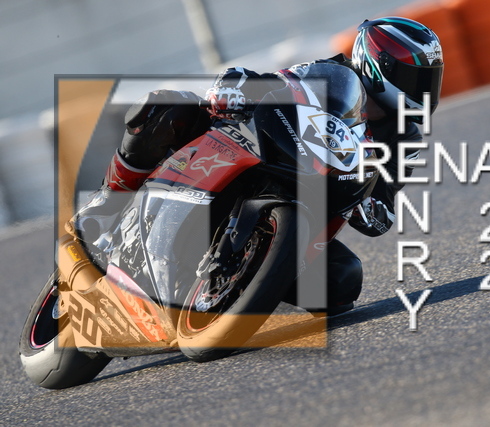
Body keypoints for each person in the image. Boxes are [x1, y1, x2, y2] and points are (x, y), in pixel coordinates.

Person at [74, 17, 444, 316]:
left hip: (308, 210)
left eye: (430, 80)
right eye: (417, 79)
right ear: (380, 65)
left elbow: (384, 211)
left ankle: (241, 289)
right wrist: (237, 85)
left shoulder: (405, 138)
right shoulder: (329, 73)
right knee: (166, 105)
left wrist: (369, 203)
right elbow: (276, 84)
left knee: (342, 281)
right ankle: (108, 200)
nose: (424, 89)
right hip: (260, 152)